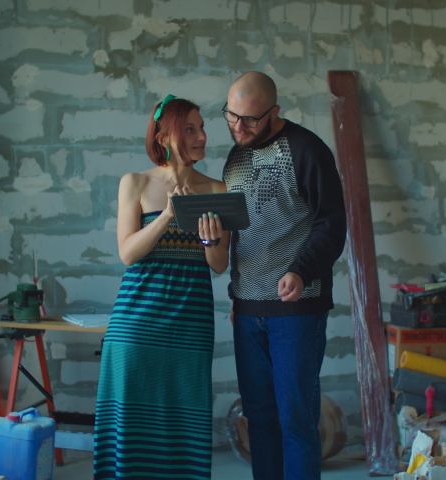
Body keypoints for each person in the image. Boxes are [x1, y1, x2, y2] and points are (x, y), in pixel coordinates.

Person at [93, 95, 230, 479]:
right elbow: (127, 253)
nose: (201, 136)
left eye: (202, 127)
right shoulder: (135, 183)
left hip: (191, 324)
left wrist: (209, 240)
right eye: (190, 128)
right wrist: (169, 215)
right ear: (164, 135)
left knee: (184, 425)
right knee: (130, 426)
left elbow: (219, 264)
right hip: (137, 323)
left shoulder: (219, 190)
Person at [222, 72, 347, 480]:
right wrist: (236, 295)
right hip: (248, 309)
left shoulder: (307, 150)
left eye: (250, 120)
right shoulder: (235, 156)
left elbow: (332, 223)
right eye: (231, 116)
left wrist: (300, 269)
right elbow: (242, 232)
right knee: (258, 417)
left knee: (296, 419)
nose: (239, 128)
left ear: (274, 112)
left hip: (296, 309)